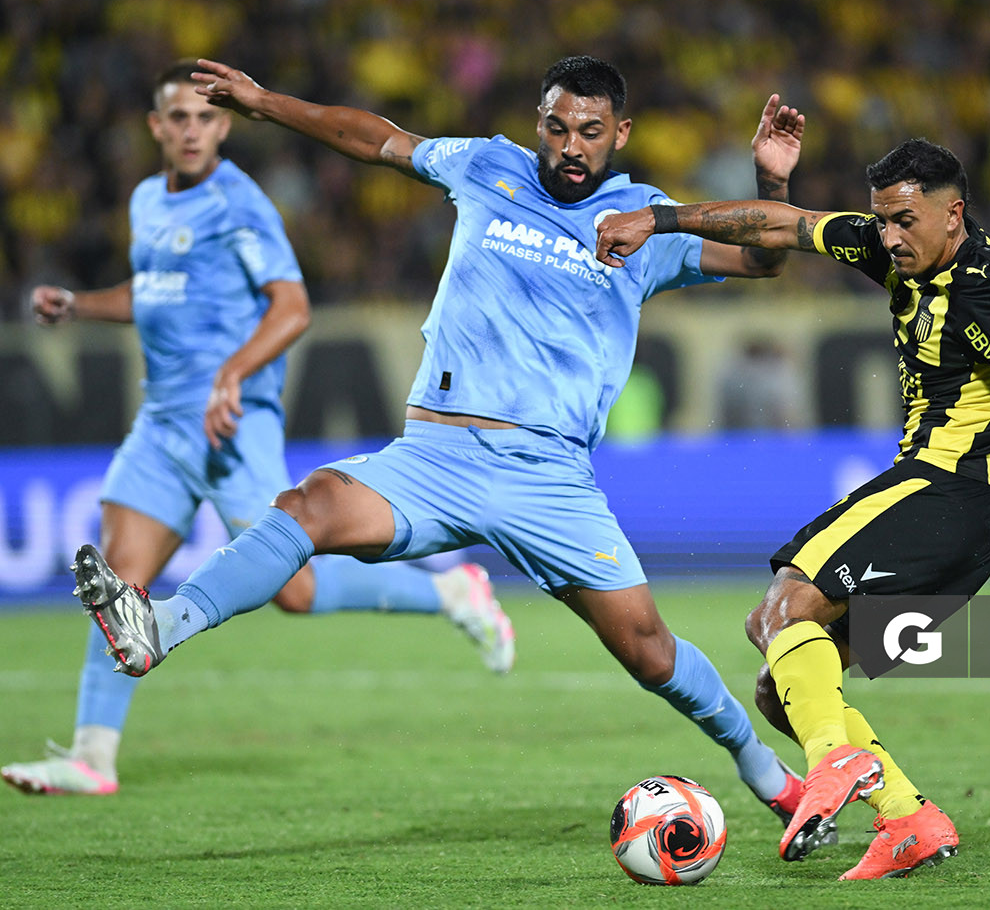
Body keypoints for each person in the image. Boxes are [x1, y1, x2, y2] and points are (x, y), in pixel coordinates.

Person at [67, 54, 810, 823]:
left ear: (620, 132)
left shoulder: (644, 218)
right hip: (434, 456)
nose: (571, 146)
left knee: (650, 650)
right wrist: (266, 104)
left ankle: (766, 772)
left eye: (590, 131)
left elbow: (761, 257)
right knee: (311, 502)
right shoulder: (487, 165)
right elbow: (376, 139)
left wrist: (773, 181)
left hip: (546, 477)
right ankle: (162, 625)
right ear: (538, 125)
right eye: (557, 128)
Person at [595, 137, 990, 877]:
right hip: (968, 529)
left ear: (952, 214)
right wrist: (663, 217)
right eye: (882, 220)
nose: (890, 237)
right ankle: (908, 818)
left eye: (904, 220)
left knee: (777, 614)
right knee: (787, 694)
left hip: (944, 490)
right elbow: (783, 225)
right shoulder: (890, 246)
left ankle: (835, 765)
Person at [1, 61, 515, 797]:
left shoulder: (239, 203)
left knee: (295, 591)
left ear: (221, 126)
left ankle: (453, 593)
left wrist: (232, 373)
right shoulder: (149, 201)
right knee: (122, 581)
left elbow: (293, 306)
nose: (191, 130)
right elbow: (154, 293)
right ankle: (92, 755)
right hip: (164, 425)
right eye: (177, 117)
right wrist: (80, 305)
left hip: (234, 422)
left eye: (205, 118)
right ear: (156, 127)